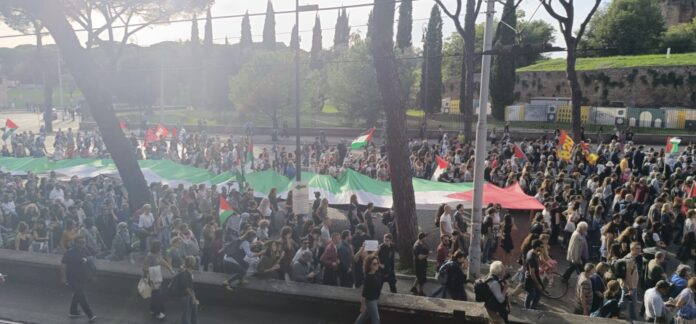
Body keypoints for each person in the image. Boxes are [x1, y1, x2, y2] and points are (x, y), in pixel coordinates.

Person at [60, 235, 97, 322]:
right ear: (75, 243)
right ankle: (90, 314)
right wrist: (63, 278)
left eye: (83, 242)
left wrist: (87, 259)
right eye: (79, 243)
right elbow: (63, 265)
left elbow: (93, 256)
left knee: (77, 294)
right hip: (72, 277)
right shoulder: (70, 252)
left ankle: (73, 311)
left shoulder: (85, 249)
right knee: (80, 295)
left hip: (83, 277)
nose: (82, 244)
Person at [142, 240, 174, 320]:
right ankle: (158, 312)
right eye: (160, 246)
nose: (162, 247)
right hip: (153, 278)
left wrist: (169, 268)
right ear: (157, 247)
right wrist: (150, 273)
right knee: (157, 295)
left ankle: (153, 309)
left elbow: (162, 261)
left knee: (155, 294)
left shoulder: (157, 254)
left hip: (156, 276)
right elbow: (144, 267)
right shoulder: (150, 256)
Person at [355, 254, 382, 324]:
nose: (377, 265)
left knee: (364, 316)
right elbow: (364, 294)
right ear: (370, 265)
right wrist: (362, 306)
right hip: (371, 301)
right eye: (374, 264)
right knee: (376, 319)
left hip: (375, 299)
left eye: (377, 263)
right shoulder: (368, 278)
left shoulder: (376, 274)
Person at [618, 242, 642, 320]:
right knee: (623, 304)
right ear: (632, 249)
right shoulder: (629, 260)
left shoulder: (632, 258)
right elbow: (628, 276)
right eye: (637, 248)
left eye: (640, 248)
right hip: (628, 287)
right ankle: (613, 312)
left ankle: (634, 319)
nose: (639, 250)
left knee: (633, 303)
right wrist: (631, 289)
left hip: (632, 286)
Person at [524, 239, 544, 310]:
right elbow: (532, 273)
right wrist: (537, 283)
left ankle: (532, 307)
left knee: (538, 292)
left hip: (534, 277)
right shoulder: (531, 258)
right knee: (531, 294)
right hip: (531, 279)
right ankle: (528, 309)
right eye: (541, 246)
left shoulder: (532, 252)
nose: (543, 248)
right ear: (537, 247)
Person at [179, 256, 199, 324]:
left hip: (188, 295)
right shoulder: (186, 273)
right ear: (192, 264)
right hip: (186, 295)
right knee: (186, 313)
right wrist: (193, 298)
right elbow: (187, 288)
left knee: (192, 311)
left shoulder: (186, 271)